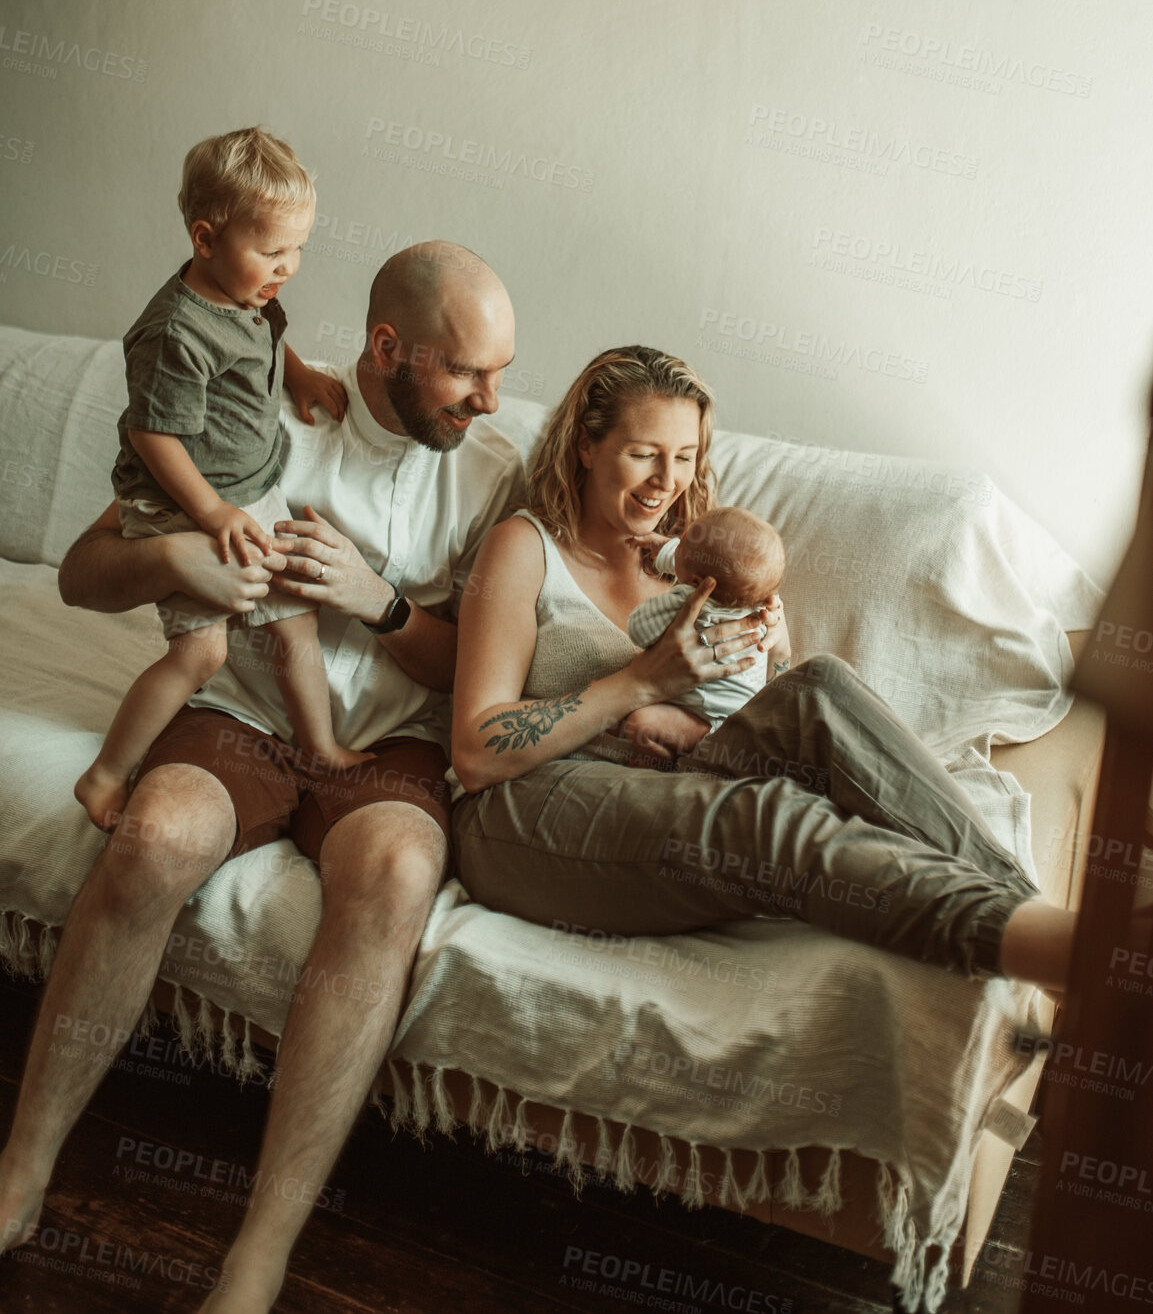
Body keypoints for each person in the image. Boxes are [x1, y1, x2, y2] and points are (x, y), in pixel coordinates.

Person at [0, 242, 523, 1314]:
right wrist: (178, 559)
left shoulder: (487, 474)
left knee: (393, 877)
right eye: (467, 370)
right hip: (243, 711)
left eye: (499, 370)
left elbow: (477, 671)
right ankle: (22, 1165)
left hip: (391, 745)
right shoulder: (259, 424)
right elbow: (84, 572)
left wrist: (380, 601)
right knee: (152, 836)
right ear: (387, 348)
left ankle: (261, 1250)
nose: (490, 396)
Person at [451, 344, 1077, 994]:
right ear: (585, 445)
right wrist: (639, 681)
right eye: (643, 453)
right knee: (767, 817)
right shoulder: (525, 548)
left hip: (675, 774)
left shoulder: (694, 559)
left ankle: (1043, 932)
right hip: (524, 811)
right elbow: (474, 749)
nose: (667, 480)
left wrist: (770, 649)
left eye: (685, 456)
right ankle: (1054, 951)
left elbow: (744, 706)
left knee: (820, 686)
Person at [76, 127, 360, 834]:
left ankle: (320, 746)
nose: (287, 266)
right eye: (272, 250)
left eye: (297, 248)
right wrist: (208, 514)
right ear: (205, 239)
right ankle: (104, 773)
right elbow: (153, 435)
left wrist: (298, 376)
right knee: (202, 650)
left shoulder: (250, 291)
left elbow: (268, 333)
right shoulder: (175, 331)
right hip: (179, 501)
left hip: (245, 484)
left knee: (296, 616)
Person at [625, 506, 790, 760]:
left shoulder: (689, 600)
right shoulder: (758, 602)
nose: (676, 543)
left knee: (639, 725)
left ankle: (679, 764)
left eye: (680, 544)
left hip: (710, 724)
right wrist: (667, 549)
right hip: (743, 713)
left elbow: (638, 629)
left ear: (694, 585)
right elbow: (696, 568)